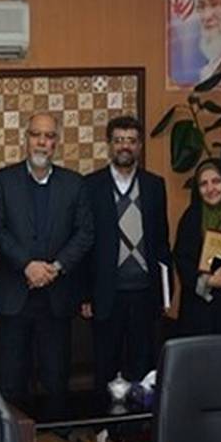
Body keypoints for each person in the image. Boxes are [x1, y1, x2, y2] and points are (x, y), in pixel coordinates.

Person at [0, 113, 93, 417]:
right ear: (26, 139)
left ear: (56, 142)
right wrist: (27, 266)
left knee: (56, 381)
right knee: (11, 382)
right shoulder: (3, 181)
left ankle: (54, 441)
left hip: (56, 300)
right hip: (14, 298)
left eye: (49, 136)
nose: (42, 142)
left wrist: (55, 267)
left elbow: (85, 233)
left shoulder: (74, 184)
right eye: (36, 135)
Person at [81, 115, 171, 384]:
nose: (125, 146)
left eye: (131, 141)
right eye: (119, 140)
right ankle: (107, 414)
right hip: (106, 293)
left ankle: (140, 414)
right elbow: (84, 244)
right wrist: (85, 295)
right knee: (105, 367)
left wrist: (165, 293)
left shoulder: (154, 185)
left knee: (143, 368)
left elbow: (162, 242)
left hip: (144, 292)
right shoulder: (90, 186)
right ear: (109, 145)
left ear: (139, 146)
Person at [174, 158, 221, 337]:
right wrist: (206, 281)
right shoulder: (191, 216)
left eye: (216, 181)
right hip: (199, 310)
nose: (210, 189)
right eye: (203, 184)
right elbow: (181, 258)